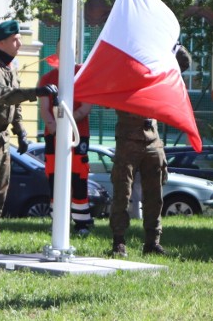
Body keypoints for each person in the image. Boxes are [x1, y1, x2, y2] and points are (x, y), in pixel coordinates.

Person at [0, 20, 57, 255]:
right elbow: (3, 96)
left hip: (1, 139)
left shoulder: (9, 68)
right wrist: (37, 92)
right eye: (15, 39)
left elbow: (13, 107)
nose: (19, 43)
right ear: (1, 42)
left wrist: (21, 132)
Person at [109, 45, 191, 257]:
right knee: (122, 192)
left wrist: (172, 49)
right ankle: (118, 241)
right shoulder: (125, 64)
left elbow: (184, 62)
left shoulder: (159, 65)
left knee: (155, 193)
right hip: (128, 137)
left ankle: (152, 242)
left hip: (151, 137)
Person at [38, 43, 93, 235]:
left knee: (79, 176)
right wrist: (55, 128)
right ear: (58, 51)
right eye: (61, 48)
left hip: (79, 134)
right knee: (54, 176)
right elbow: (44, 109)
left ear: (76, 50)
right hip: (53, 134)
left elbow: (85, 108)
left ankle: (82, 223)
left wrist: (67, 124)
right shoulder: (47, 79)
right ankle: (58, 222)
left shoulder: (84, 75)